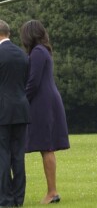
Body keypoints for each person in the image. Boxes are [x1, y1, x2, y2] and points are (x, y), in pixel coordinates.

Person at [20, 21, 69, 205]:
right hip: (45, 101)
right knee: (45, 146)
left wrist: (22, 101)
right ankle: (52, 191)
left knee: (46, 146)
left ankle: (52, 191)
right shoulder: (42, 51)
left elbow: (33, 82)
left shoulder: (38, 52)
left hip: (43, 103)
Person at [0, 19, 30, 207]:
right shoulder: (22, 54)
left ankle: (5, 198)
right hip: (21, 109)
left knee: (2, 155)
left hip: (2, 111)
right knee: (18, 155)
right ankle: (18, 198)